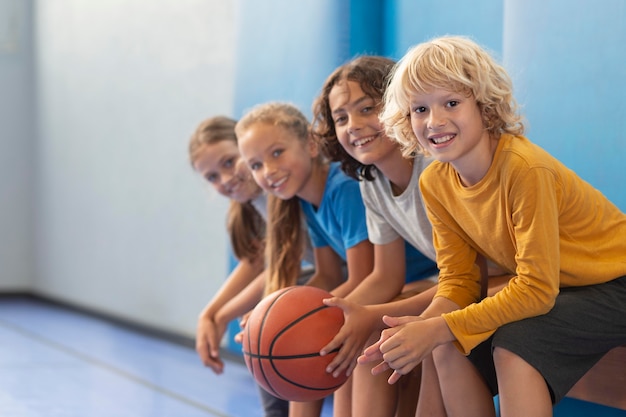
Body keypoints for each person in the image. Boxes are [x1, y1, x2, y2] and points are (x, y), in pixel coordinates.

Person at [358, 35, 626, 417]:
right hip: (569, 292)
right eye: (419, 109)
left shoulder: (524, 169)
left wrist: (438, 326)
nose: (434, 121)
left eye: (451, 103)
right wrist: (419, 329)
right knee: (447, 344)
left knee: (516, 342)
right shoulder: (435, 183)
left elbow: (535, 290)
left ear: (484, 106)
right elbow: (460, 282)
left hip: (616, 284)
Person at [312, 55, 511, 417]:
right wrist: (340, 316)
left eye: (367, 109)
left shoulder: (437, 166)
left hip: (504, 282)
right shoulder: (371, 183)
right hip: (460, 285)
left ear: (401, 108)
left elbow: (472, 278)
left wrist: (373, 315)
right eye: (341, 118)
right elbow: (386, 276)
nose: (354, 125)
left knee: (428, 335)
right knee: (371, 335)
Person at [235, 102, 375, 417]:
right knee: (291, 336)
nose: (268, 171)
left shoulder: (343, 188)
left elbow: (364, 277)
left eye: (276, 153)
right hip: (377, 289)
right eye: (255, 165)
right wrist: (268, 317)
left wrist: (286, 321)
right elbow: (327, 276)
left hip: (411, 284)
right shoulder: (308, 200)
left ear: (311, 145)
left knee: (307, 337)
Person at [189, 115, 292, 417]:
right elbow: (257, 261)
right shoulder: (250, 206)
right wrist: (209, 315)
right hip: (315, 273)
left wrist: (223, 315)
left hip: (345, 274)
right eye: (211, 177)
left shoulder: (279, 189)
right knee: (267, 308)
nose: (224, 179)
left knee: (269, 310)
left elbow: (279, 264)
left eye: (229, 162)